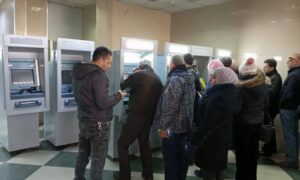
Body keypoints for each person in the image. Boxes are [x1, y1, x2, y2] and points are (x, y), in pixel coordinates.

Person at [73, 46, 126, 180]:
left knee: (83, 152)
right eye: (108, 62)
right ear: (101, 60)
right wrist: (118, 96)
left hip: (83, 119)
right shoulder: (98, 76)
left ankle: (78, 178)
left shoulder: (78, 73)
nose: (109, 66)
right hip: (98, 124)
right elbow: (103, 103)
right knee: (98, 157)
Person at [114, 61, 163, 180]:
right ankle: (148, 174)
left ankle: (124, 176)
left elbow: (123, 85)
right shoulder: (157, 78)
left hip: (135, 117)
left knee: (122, 144)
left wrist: (134, 73)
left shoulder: (139, 74)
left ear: (141, 67)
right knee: (144, 144)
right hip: (149, 117)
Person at [192, 67, 239, 180]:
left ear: (222, 78)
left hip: (212, 137)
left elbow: (209, 120)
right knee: (218, 165)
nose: (211, 80)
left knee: (209, 167)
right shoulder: (233, 92)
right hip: (224, 134)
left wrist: (197, 137)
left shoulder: (217, 96)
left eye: (214, 78)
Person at [154, 55, 195, 180]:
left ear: (173, 65)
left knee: (171, 161)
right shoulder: (190, 77)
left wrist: (162, 126)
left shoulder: (175, 79)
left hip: (173, 128)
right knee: (182, 160)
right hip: (186, 126)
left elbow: (170, 106)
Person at [233, 58, 268, 180]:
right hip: (257, 122)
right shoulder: (264, 85)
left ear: (242, 73)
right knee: (253, 152)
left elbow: (236, 108)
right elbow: (266, 104)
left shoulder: (241, 87)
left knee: (242, 154)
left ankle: (241, 177)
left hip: (242, 124)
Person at [278, 54, 300, 169]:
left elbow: (288, 93)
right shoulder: (296, 73)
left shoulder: (294, 75)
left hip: (288, 108)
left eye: (291, 59)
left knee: (289, 134)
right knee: (294, 134)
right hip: (294, 108)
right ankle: (293, 157)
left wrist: (280, 104)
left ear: (298, 61)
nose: (288, 61)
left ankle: (291, 160)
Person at [262, 59, 282, 156]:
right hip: (269, 106)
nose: (263, 68)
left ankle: (270, 148)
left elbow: (273, 92)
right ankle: (268, 148)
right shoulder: (270, 76)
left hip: (272, 107)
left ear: (272, 67)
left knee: (270, 127)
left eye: (265, 66)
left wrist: (264, 87)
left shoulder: (276, 78)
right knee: (269, 127)